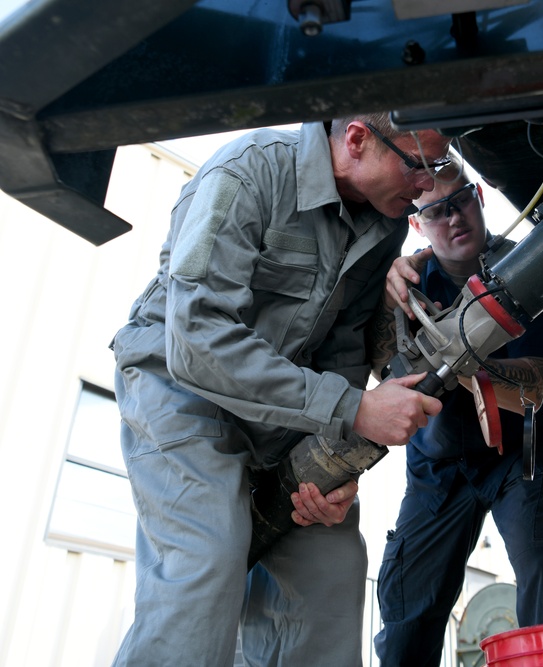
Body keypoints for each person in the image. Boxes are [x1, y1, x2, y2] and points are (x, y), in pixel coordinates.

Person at [109, 113, 451, 667]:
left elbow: (341, 349)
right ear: (359, 138)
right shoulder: (248, 172)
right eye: (418, 165)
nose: (427, 186)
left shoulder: (384, 223)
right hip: (181, 389)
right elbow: (197, 337)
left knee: (332, 567)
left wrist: (336, 468)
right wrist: (352, 409)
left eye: (435, 168)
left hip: (282, 410)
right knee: (209, 555)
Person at [368, 160, 543, 666]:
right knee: (406, 617)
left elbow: (527, 378)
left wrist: (437, 350)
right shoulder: (402, 286)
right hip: (436, 471)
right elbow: (377, 374)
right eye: (435, 212)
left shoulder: (537, 269)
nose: (452, 219)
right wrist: (382, 290)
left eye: (460, 203)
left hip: (523, 458)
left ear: (479, 197)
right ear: (416, 223)